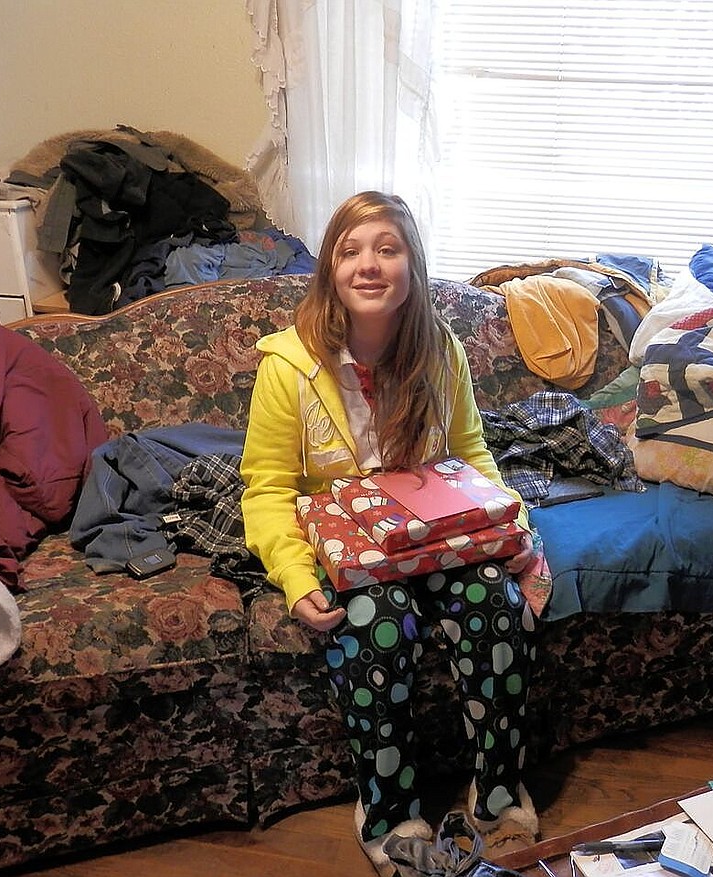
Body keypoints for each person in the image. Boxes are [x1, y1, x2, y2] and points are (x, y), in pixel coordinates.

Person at [240, 191, 541, 876]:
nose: (369, 265)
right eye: (351, 250)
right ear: (330, 270)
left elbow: (473, 455)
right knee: (379, 619)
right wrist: (293, 576)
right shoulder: (287, 366)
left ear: (412, 263)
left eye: (387, 248)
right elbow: (266, 488)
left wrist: (516, 528)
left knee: (497, 600)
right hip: (352, 553)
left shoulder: (442, 352)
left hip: (437, 536)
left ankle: (497, 789)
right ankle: (388, 806)